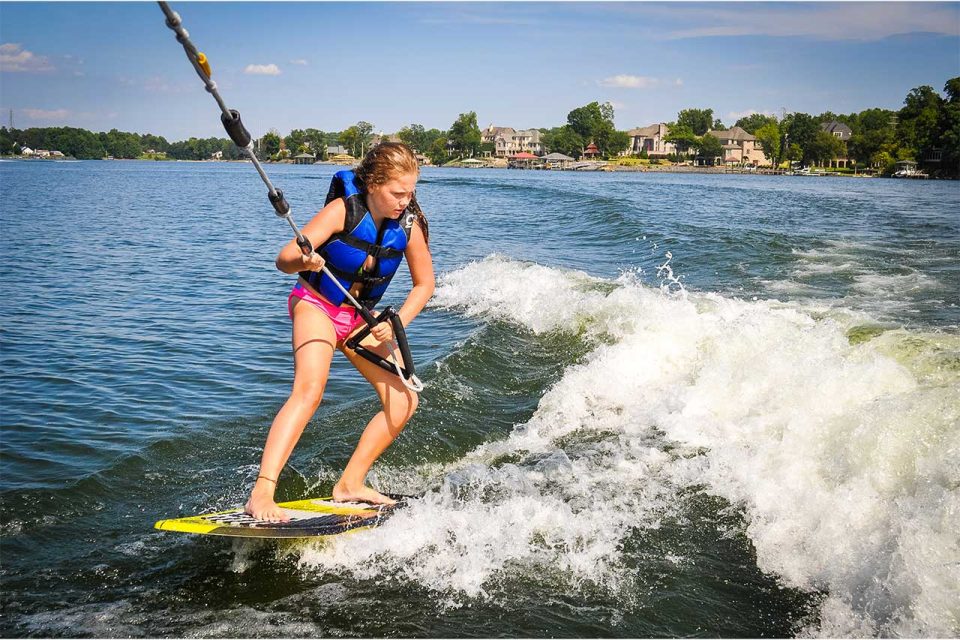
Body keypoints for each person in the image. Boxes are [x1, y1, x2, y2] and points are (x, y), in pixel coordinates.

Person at [245, 142, 434, 522]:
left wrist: (392, 325)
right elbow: (283, 260)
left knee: (404, 401)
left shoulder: (409, 228)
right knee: (309, 392)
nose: (405, 201)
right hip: (316, 305)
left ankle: (350, 484)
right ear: (372, 185)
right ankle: (262, 493)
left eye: (411, 192)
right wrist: (303, 257)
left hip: (361, 318)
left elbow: (424, 285)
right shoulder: (341, 211)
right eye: (398, 193)